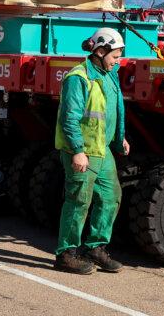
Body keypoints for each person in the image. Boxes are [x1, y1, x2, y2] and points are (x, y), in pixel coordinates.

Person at [53, 27, 129, 275]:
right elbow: (69, 118)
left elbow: (112, 110)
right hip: (83, 150)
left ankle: (95, 247)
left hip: (102, 150)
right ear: (99, 51)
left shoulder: (109, 74)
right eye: (115, 56)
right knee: (78, 201)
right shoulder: (79, 78)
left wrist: (119, 139)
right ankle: (66, 254)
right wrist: (77, 151)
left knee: (111, 196)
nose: (118, 61)